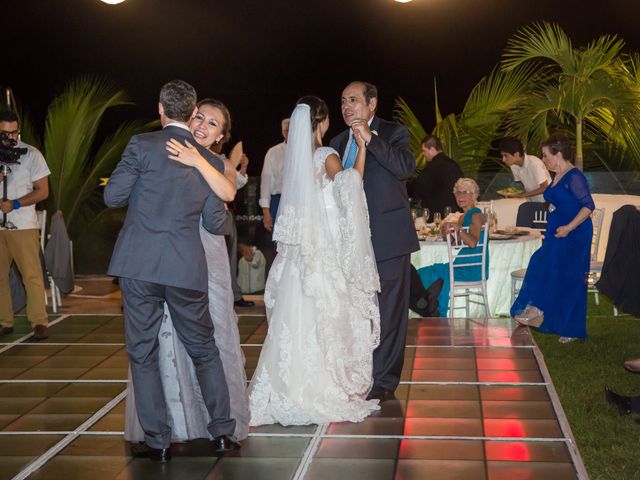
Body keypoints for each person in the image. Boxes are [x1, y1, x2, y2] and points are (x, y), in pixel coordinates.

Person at [104, 80, 239, 462]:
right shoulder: (211, 161)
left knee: (143, 353)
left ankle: (159, 441)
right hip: (184, 268)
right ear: (191, 111)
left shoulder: (142, 145)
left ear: (160, 108)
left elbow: (112, 196)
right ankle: (223, 433)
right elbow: (215, 223)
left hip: (139, 264)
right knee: (204, 350)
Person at [248, 96, 381, 425]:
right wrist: (363, 150)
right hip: (325, 250)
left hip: (301, 254)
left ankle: (287, 387)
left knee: (295, 320)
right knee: (327, 318)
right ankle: (321, 387)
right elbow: (349, 185)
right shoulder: (324, 154)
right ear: (322, 123)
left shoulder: (294, 161)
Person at [329, 81, 418, 402]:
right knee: (356, 312)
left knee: (390, 312)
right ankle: (358, 371)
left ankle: (384, 380)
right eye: (342, 101)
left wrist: (369, 138)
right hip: (350, 244)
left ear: (372, 104)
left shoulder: (393, 133)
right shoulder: (337, 143)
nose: (347, 106)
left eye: (353, 99)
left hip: (388, 240)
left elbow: (406, 168)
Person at [511, 133, 595, 343]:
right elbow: (556, 198)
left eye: (546, 155)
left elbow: (588, 205)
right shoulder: (557, 175)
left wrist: (568, 227)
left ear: (558, 154)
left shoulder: (574, 176)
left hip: (574, 232)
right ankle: (542, 310)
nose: (544, 159)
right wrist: (553, 207)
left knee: (569, 276)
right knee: (544, 264)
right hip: (557, 231)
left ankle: (568, 325)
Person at [0, 110, 50, 340]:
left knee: (31, 275)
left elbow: (43, 191)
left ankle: (39, 321)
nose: (9, 137)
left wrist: (16, 203)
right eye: (4, 133)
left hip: (23, 225)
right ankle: (4, 321)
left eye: (13, 132)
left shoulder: (32, 154)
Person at [416, 178, 488, 317]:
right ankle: (431, 303)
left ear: (473, 195)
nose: (460, 197)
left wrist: (458, 229)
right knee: (429, 272)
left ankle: (433, 306)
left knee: (429, 273)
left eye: (464, 193)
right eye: (457, 193)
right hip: (461, 264)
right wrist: (447, 235)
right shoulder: (463, 217)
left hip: (472, 267)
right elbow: (459, 244)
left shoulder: (476, 215)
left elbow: (473, 243)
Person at [411, 135, 463, 216]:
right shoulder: (453, 164)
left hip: (437, 215)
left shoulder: (431, 168)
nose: (423, 154)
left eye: (424, 151)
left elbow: (419, 190)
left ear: (431, 149)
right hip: (456, 213)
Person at [259, 117, 289, 232]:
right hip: (278, 201)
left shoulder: (307, 150)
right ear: (282, 132)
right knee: (279, 245)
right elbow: (266, 182)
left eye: (293, 129)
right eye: (287, 130)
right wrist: (266, 211)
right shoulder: (273, 152)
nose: (290, 133)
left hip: (300, 202)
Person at [499, 136, 551, 202]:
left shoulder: (534, 163)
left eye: (506, 155)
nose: (503, 159)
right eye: (502, 156)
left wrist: (523, 195)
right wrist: (514, 194)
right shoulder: (513, 165)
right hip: (532, 201)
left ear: (516, 154)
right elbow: (524, 186)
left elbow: (545, 188)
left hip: (547, 201)